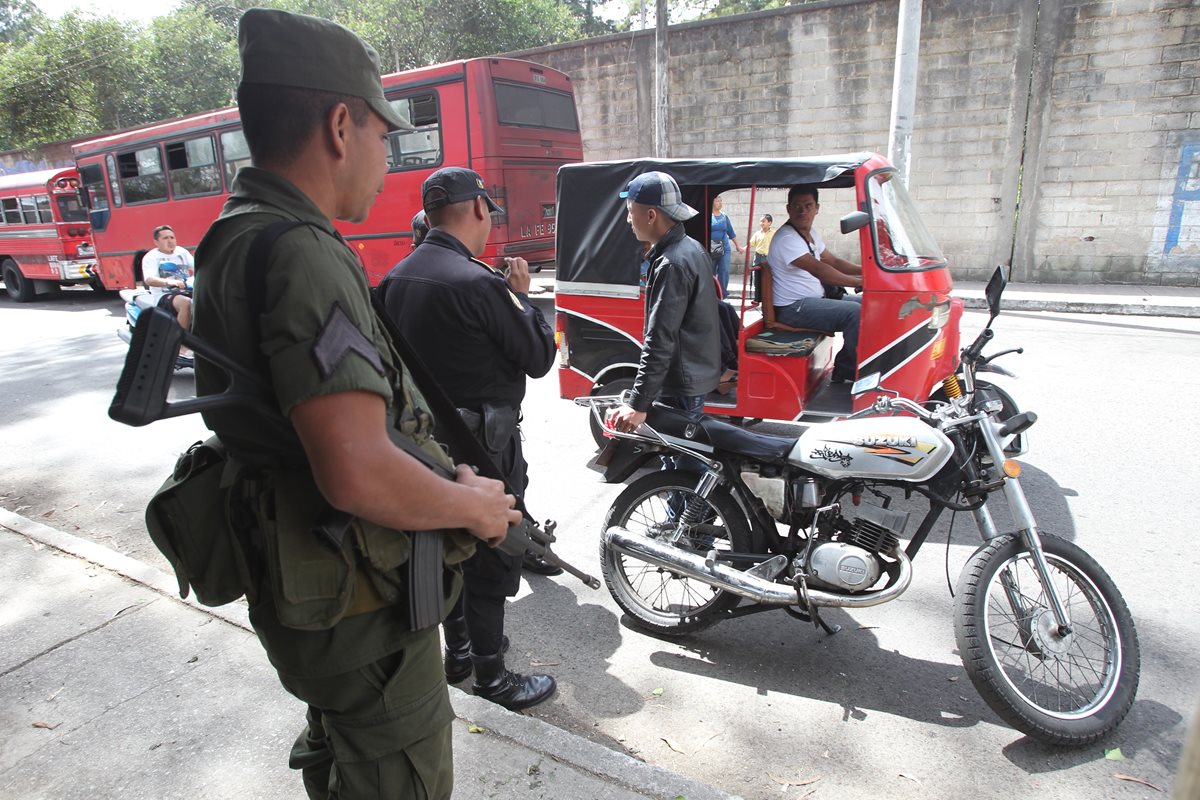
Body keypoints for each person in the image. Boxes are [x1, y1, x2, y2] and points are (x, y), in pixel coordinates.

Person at [190, 10, 520, 799]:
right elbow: (356, 468)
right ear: (342, 124)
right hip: (356, 607)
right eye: (384, 134)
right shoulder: (304, 251)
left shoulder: (236, 231)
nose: (387, 156)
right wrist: (469, 508)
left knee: (342, 752)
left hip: (311, 592)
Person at [377, 167, 558, 711]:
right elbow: (540, 357)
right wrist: (522, 299)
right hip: (485, 451)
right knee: (492, 554)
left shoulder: (395, 279)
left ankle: (456, 654)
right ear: (479, 209)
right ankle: (494, 678)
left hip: (423, 448)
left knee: (444, 550)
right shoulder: (481, 283)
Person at [609, 171, 721, 434]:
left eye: (630, 211)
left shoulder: (672, 263)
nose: (628, 220)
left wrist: (639, 402)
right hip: (693, 378)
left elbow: (660, 338)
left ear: (650, 215)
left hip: (680, 385)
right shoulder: (692, 247)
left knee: (679, 467)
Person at [766, 184, 863, 384]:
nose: (803, 210)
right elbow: (819, 270)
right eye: (797, 206)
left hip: (811, 301)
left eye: (808, 205)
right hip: (794, 308)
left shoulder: (810, 235)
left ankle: (846, 366)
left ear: (817, 208)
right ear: (788, 209)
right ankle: (850, 369)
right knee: (855, 312)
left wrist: (869, 272)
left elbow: (833, 262)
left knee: (869, 303)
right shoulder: (786, 238)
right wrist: (857, 282)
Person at [141, 224, 195, 365]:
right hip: (165, 295)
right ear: (156, 242)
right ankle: (181, 346)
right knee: (186, 303)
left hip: (187, 290)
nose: (170, 241)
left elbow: (198, 267)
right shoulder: (152, 257)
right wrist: (168, 282)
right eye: (165, 238)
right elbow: (149, 279)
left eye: (172, 237)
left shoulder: (181, 252)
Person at [709, 194, 742, 298]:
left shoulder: (724, 216)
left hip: (724, 248)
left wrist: (738, 246)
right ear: (712, 202)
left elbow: (731, 232)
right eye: (717, 201)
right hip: (711, 248)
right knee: (711, 271)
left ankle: (723, 294)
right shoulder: (707, 215)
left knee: (724, 271)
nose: (720, 203)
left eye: (721, 201)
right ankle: (712, 294)